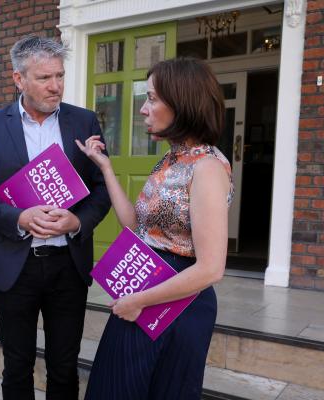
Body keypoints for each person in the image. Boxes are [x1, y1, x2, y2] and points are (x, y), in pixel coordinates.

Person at [77, 57, 233, 399]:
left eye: (152, 98)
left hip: (178, 300)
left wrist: (138, 301)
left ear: (181, 102)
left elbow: (211, 268)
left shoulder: (207, 168)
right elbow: (137, 225)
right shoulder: (171, 160)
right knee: (114, 386)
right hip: (147, 288)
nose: (144, 109)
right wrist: (105, 168)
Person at [0, 36, 111, 400]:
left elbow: (103, 188)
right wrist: (20, 216)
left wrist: (78, 223)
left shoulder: (83, 120)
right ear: (19, 79)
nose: (56, 86)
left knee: (65, 366)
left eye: (60, 76)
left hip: (68, 264)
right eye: (45, 77)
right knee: (17, 366)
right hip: (16, 266)